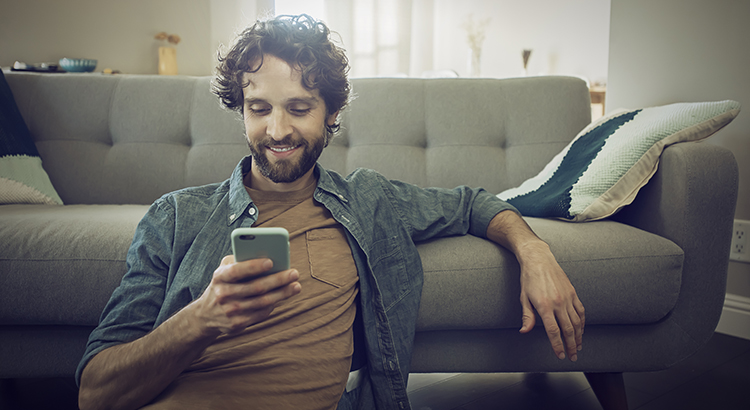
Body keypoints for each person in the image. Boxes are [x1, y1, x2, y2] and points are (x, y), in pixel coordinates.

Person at [76, 14, 585, 410]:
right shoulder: (176, 218)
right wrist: (202, 320)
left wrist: (535, 254)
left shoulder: (369, 201)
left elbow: (474, 204)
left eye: (298, 108)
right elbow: (95, 393)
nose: (276, 130)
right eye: (259, 109)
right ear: (241, 107)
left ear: (332, 113)